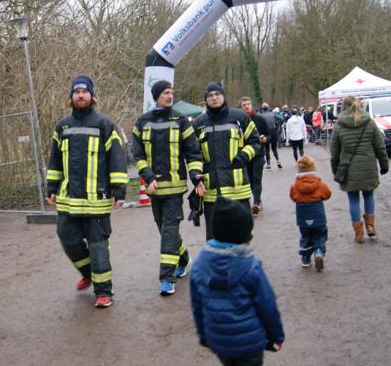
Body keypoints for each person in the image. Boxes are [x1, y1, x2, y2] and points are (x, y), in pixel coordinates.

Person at [190, 197, 285, 366]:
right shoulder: (250, 267)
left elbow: (197, 306)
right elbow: (267, 305)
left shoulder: (199, 265)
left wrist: (204, 335)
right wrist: (276, 336)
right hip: (249, 343)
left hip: (219, 340)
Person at [46, 74, 127, 308]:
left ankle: (104, 291)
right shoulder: (62, 126)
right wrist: (52, 186)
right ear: (71, 96)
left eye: (84, 92)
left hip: (96, 200)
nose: (80, 95)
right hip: (68, 200)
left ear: (92, 96)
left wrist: (119, 190)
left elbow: (117, 159)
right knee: (67, 238)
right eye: (76, 92)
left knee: (98, 246)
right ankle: (88, 273)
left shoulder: (105, 124)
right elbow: (55, 160)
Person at [132, 79, 204, 296]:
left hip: (175, 189)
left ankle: (167, 278)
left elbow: (193, 152)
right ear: (156, 96)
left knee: (169, 230)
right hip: (154, 189)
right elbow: (137, 154)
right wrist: (147, 176)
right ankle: (183, 258)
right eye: (165, 93)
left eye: (171, 92)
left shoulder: (180, 120)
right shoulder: (142, 121)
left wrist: (195, 176)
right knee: (164, 231)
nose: (170, 96)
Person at [193, 82, 260, 241]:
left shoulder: (240, 117)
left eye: (217, 94)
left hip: (237, 188)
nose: (214, 98)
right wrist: (195, 174)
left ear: (223, 96)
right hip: (212, 191)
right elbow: (193, 153)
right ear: (206, 100)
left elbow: (254, 141)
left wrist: (242, 157)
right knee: (214, 236)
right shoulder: (198, 123)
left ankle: (241, 256)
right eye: (210, 96)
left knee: (243, 231)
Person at [330, 96, 389, 243]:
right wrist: (384, 164)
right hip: (368, 166)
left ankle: (359, 233)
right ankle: (370, 227)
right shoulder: (369, 122)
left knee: (353, 199)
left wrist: (335, 170)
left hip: (349, 168)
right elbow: (380, 146)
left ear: (342, 107)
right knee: (369, 195)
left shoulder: (339, 126)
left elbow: (334, 152)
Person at [289, 155, 332, 270]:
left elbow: (293, 197)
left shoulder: (295, 185)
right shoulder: (320, 184)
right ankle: (319, 251)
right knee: (320, 235)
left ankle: (305, 258)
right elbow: (328, 194)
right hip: (318, 217)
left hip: (302, 218)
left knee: (305, 236)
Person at [238, 97, 266, 215]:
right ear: (240, 108)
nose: (246, 106)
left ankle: (256, 203)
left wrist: (265, 138)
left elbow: (269, 134)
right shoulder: (237, 122)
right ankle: (257, 199)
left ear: (251, 105)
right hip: (245, 155)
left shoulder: (260, 119)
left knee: (257, 178)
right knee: (250, 180)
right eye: (244, 105)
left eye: (248, 104)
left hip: (258, 154)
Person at [259, 103, 282, 169]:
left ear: (262, 109)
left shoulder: (261, 116)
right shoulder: (273, 114)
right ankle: (278, 162)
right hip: (274, 131)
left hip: (266, 132)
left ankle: (268, 165)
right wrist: (277, 125)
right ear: (268, 108)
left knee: (267, 149)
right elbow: (281, 118)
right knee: (274, 148)